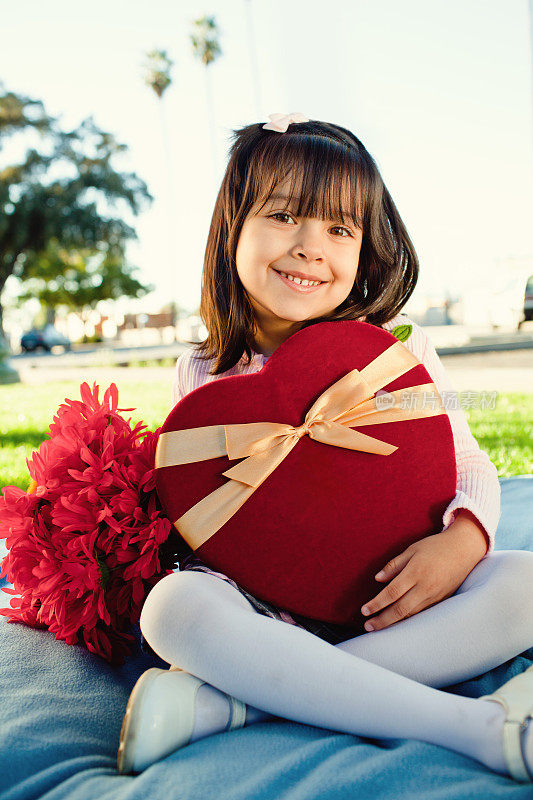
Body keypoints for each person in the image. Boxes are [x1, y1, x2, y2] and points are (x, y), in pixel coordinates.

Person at [117, 114, 533, 781]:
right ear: (232, 229)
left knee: (527, 584)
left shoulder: (394, 351)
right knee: (172, 610)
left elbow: (463, 458)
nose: (311, 248)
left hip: (394, 593)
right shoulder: (205, 372)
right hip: (264, 608)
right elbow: (206, 506)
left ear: (364, 247)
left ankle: (240, 705)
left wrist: (461, 543)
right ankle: (476, 728)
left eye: (339, 229)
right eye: (283, 216)